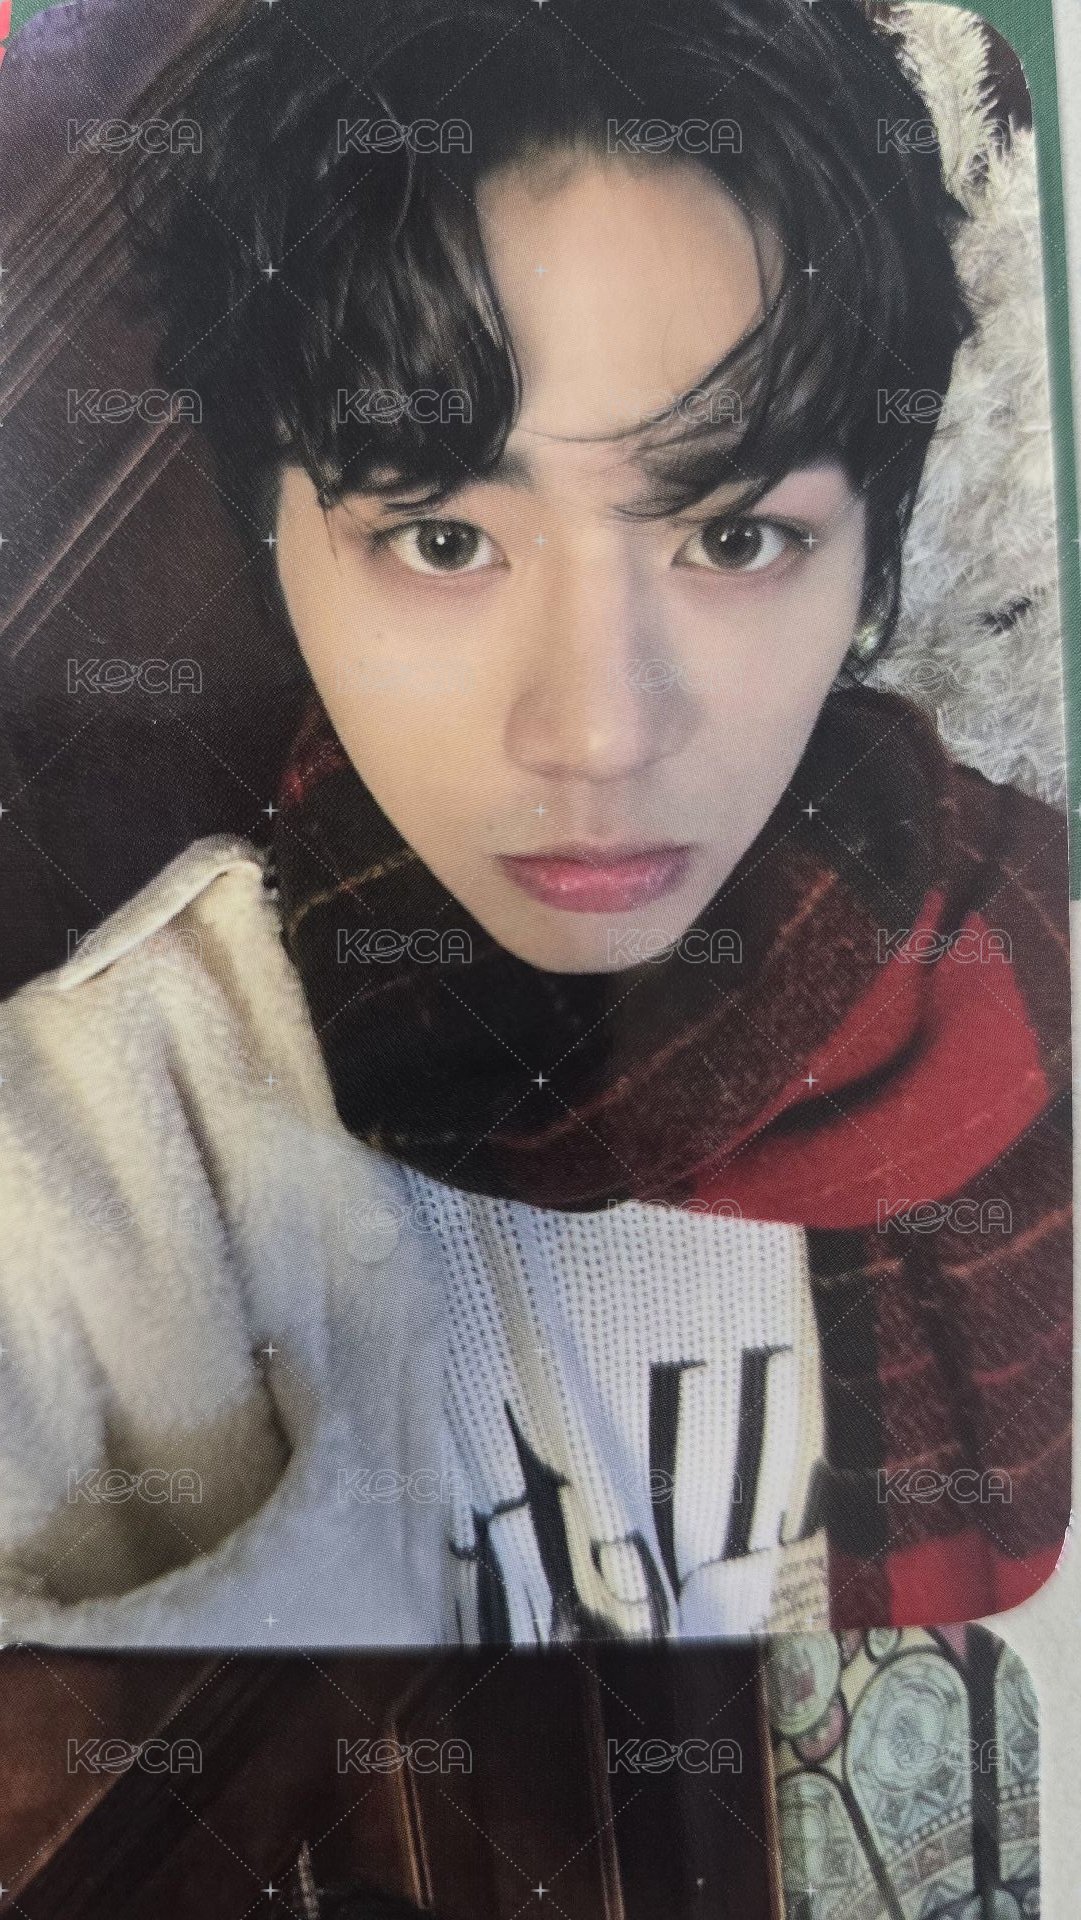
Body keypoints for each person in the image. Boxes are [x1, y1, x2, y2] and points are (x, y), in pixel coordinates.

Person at [0, 0, 1070, 1649]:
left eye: (733, 537)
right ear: (269, 543)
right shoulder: (87, 1171)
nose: (595, 733)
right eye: (441, 540)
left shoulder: (1031, 963)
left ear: (872, 552)